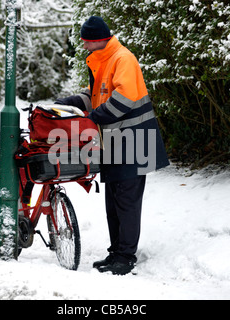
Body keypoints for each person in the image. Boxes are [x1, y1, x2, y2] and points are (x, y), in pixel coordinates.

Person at [55, 16, 169, 275]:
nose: (83, 46)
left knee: (126, 202)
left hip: (135, 139)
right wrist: (72, 102)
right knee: (114, 201)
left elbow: (124, 98)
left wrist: (91, 118)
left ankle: (125, 257)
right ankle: (116, 252)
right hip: (117, 140)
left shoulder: (122, 58)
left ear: (96, 40)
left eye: (85, 42)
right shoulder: (104, 60)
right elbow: (96, 94)